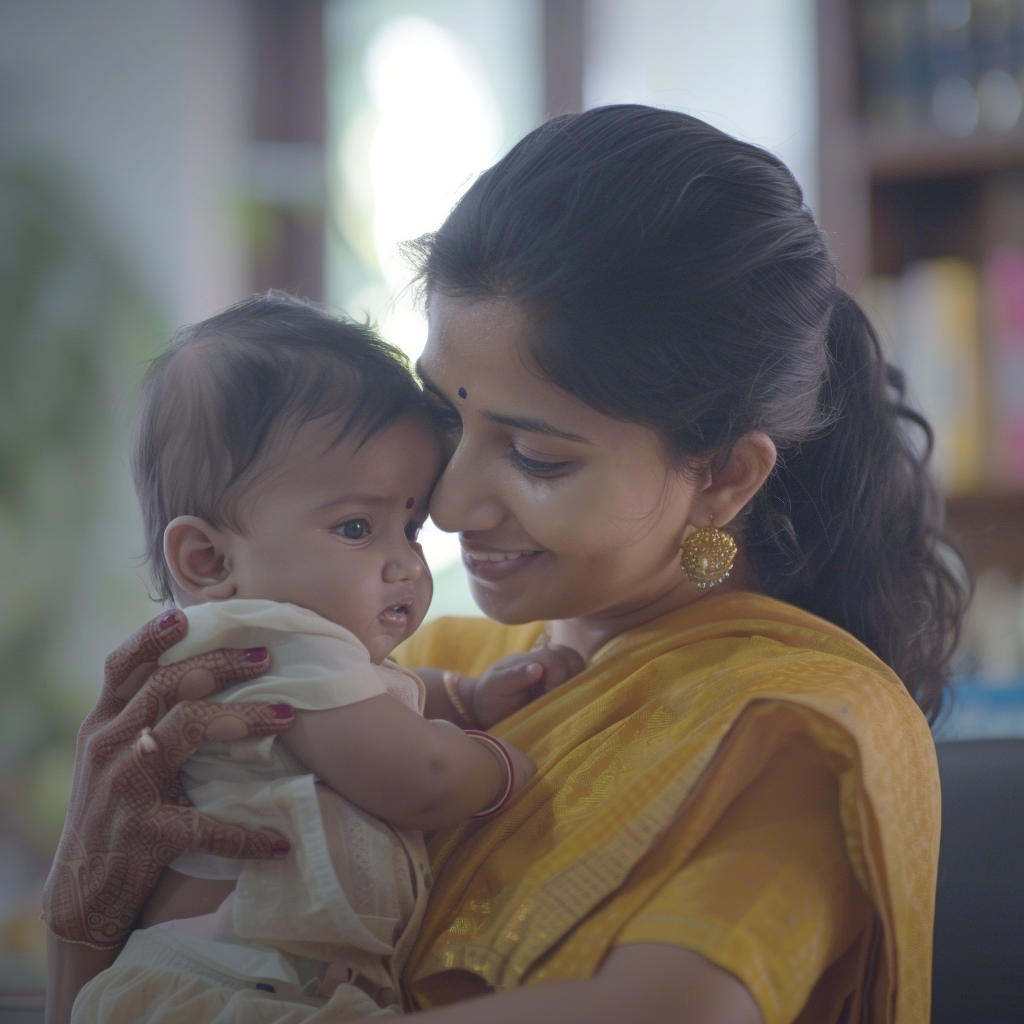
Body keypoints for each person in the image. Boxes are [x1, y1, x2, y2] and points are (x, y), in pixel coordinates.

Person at [44, 106, 969, 1024]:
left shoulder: (795, 729)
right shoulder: (422, 663)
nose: (445, 507)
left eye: (537, 457)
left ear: (724, 474)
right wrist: (84, 910)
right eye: (446, 417)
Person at [67, 296, 574, 1021]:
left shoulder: (306, 659)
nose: (404, 563)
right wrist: (502, 764)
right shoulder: (273, 638)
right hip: (225, 985)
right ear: (209, 559)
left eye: (412, 527)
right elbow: (418, 777)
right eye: (358, 527)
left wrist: (461, 697)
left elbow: (380, 699)